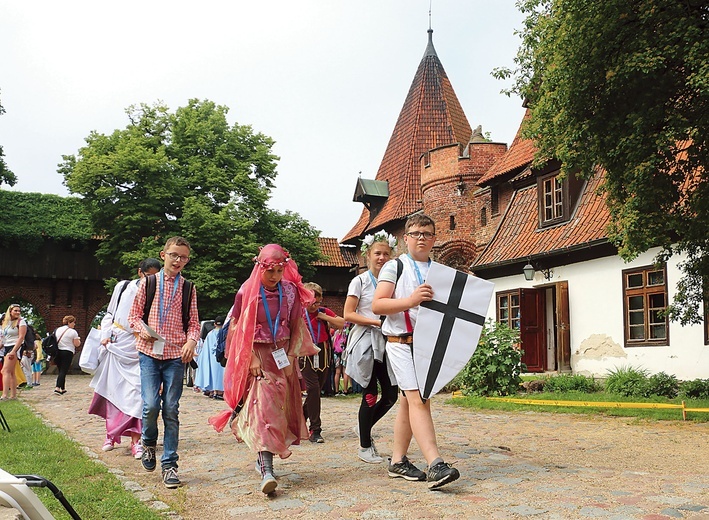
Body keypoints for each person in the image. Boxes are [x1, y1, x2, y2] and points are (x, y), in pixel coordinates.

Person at [209, 244, 319, 495]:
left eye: (280, 271)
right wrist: (250, 359)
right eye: (270, 271)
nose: (275, 276)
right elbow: (237, 329)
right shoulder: (246, 292)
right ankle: (266, 467)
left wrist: (292, 358)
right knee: (264, 409)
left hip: (281, 356)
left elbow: (295, 325)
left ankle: (264, 457)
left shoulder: (290, 292)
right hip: (257, 355)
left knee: (279, 409)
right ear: (259, 268)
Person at [372, 214, 460, 489]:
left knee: (412, 402)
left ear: (434, 239)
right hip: (400, 342)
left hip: (427, 345)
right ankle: (435, 463)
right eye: (416, 232)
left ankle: (398, 461)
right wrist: (409, 300)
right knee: (418, 399)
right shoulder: (394, 267)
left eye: (427, 233)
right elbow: (378, 305)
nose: (421, 237)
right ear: (406, 238)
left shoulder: (440, 271)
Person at [128, 237, 200, 489]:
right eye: (174, 255)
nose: (178, 260)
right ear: (163, 255)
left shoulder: (189, 288)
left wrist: (191, 341)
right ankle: (148, 442)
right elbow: (133, 317)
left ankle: (170, 464)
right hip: (148, 352)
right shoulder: (147, 284)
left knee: (171, 408)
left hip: (175, 356)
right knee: (150, 405)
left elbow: (193, 323)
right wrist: (142, 329)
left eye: (183, 257)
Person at [89, 258, 161, 458]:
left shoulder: (158, 293)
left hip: (140, 346)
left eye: (156, 276)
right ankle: (110, 435)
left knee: (138, 394)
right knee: (113, 392)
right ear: (140, 273)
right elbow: (109, 313)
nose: (152, 280)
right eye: (149, 275)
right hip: (117, 343)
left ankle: (136, 441)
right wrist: (105, 335)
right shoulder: (123, 287)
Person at [344, 231, 399, 464]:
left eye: (387, 253)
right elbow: (348, 313)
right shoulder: (360, 281)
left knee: (391, 394)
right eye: (378, 253)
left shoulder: (393, 282)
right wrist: (375, 322)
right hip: (366, 341)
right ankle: (365, 447)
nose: (382, 258)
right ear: (368, 256)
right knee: (369, 393)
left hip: (387, 341)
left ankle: (363, 427)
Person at [301, 282, 344, 443]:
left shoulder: (323, 311)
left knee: (315, 391)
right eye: (311, 303)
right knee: (312, 388)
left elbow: (343, 323)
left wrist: (324, 317)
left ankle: (298, 421)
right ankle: (315, 429)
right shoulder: (299, 314)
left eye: (317, 302)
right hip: (305, 353)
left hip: (323, 352)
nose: (314, 306)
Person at [193, 316, 225, 399]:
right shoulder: (225, 333)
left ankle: (212, 390)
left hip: (211, 358)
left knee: (211, 373)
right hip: (222, 357)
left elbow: (206, 349)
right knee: (221, 373)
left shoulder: (210, 334)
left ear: (214, 324)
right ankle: (220, 391)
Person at [1, 304, 26, 400]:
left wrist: (14, 351)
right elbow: (4, 338)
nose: (18, 312)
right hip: (6, 346)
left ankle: (5, 395)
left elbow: (21, 337)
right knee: (11, 372)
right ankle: (13, 395)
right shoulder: (6, 323)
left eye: (19, 311)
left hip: (15, 346)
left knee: (4, 371)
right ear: (10, 311)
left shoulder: (21, 322)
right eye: (15, 310)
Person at [53, 315, 81, 396]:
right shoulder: (73, 332)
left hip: (58, 351)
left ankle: (63, 388)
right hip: (67, 352)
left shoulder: (57, 330)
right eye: (73, 322)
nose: (74, 324)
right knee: (63, 370)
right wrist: (79, 341)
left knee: (61, 369)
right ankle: (57, 388)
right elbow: (76, 344)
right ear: (69, 322)